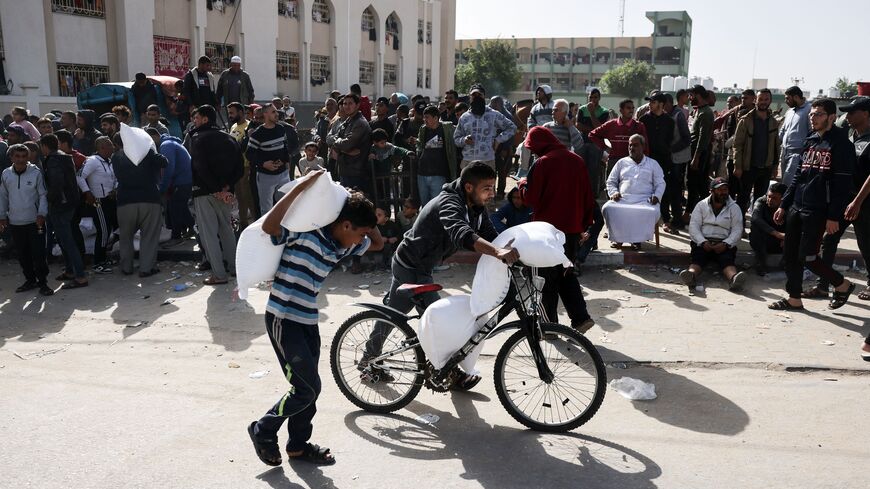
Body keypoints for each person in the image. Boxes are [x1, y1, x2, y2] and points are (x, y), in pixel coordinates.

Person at [248, 171, 383, 467]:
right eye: (358, 232)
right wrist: (301, 188)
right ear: (345, 224)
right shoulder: (305, 230)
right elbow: (271, 226)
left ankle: (298, 446)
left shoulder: (342, 245)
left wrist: (358, 205)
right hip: (283, 318)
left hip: (307, 320)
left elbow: (378, 243)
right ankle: (263, 428)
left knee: (310, 388)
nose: (359, 240)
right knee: (305, 389)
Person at [364, 162, 519, 389]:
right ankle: (445, 372)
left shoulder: (475, 207)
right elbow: (460, 232)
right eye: (486, 188)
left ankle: (372, 358)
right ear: (468, 187)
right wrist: (496, 251)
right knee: (436, 321)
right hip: (410, 266)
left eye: (492, 187)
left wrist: (517, 252)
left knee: (396, 315)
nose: (492, 193)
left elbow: (491, 235)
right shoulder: (449, 203)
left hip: (422, 266)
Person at [769, 99, 856, 311]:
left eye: (818, 114)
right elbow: (798, 175)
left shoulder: (842, 144)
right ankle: (794, 298)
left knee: (807, 256)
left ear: (831, 117)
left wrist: (834, 216)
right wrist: (784, 204)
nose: (812, 117)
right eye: (812, 114)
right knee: (790, 255)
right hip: (797, 206)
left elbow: (843, 185)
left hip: (819, 211)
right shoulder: (810, 140)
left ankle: (842, 284)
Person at [520, 126, 596, 332]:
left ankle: (549, 327)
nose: (533, 152)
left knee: (545, 279)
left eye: (532, 148)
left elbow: (531, 199)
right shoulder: (576, 160)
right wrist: (583, 226)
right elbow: (588, 196)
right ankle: (581, 318)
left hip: (546, 232)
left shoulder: (542, 163)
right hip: (571, 230)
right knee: (565, 273)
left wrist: (522, 184)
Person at [805, 96, 870, 301]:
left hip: (864, 202)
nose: (847, 116)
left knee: (866, 244)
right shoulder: (850, 136)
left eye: (852, 112)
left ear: (866, 113)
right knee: (829, 239)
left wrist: (857, 202)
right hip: (844, 200)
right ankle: (824, 284)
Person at [187, 105, 243, 285]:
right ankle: (235, 269)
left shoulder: (197, 138)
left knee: (208, 234)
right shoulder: (229, 138)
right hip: (225, 194)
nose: (194, 121)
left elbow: (200, 167)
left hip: (204, 193)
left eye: (196, 118)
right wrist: (226, 188)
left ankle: (219, 274)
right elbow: (240, 168)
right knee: (227, 231)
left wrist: (215, 189)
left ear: (205, 119)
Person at [0, 144, 53, 295]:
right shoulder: (6, 174)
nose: (21, 160)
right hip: (16, 221)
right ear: (11, 157)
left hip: (35, 221)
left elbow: (43, 194)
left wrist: (41, 214)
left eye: (24, 156)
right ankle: (30, 280)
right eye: (17, 156)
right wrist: (2, 216)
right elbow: (2, 196)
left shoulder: (35, 173)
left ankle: (43, 283)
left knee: (38, 254)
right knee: (23, 254)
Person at [112, 132, 167, 278]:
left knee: (125, 236)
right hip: (149, 199)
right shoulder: (146, 153)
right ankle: (146, 268)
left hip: (125, 202)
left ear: (117, 144)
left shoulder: (116, 157)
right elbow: (164, 162)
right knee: (149, 235)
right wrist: (150, 149)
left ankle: (126, 267)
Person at [681, 177, 746, 291]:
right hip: (704, 241)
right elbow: (694, 227)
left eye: (725, 189)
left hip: (723, 243)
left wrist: (726, 243)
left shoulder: (734, 208)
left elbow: (737, 230)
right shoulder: (701, 205)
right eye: (719, 190)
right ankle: (690, 276)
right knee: (698, 258)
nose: (723, 192)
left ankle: (734, 279)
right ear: (712, 191)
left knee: (727, 260)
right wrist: (703, 241)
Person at [601, 134, 665, 250]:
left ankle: (637, 240)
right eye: (630, 145)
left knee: (651, 211)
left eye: (635, 145)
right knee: (607, 208)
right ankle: (618, 238)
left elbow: (661, 183)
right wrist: (613, 192)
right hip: (623, 199)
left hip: (644, 200)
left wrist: (657, 196)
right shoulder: (621, 162)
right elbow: (611, 181)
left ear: (643, 146)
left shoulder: (653, 164)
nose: (632, 148)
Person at [41, 134, 87, 288]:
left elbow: (57, 182)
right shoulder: (64, 157)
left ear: (45, 146)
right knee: (63, 240)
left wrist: (50, 198)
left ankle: (80, 276)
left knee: (67, 241)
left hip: (61, 205)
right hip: (69, 203)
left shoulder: (53, 160)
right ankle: (70, 271)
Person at [732, 89, 780, 214]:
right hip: (748, 167)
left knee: (761, 201)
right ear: (755, 100)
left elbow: (776, 146)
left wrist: (775, 166)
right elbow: (737, 145)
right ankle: (739, 227)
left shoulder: (773, 122)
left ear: (770, 101)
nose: (763, 102)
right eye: (761, 99)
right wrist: (738, 166)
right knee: (743, 199)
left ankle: (756, 229)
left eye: (766, 99)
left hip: (766, 167)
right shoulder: (745, 120)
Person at [453, 84, 516, 170]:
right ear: (470, 97)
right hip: (468, 162)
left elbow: (512, 127)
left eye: (479, 95)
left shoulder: (494, 114)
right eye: (474, 95)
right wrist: (464, 140)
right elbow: (456, 139)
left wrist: (498, 140)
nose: (477, 97)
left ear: (484, 97)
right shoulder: (464, 117)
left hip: (487, 161)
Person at [149, 128, 193, 249]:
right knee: (181, 206)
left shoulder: (166, 146)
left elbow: (168, 168)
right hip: (184, 180)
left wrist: (163, 188)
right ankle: (193, 229)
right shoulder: (169, 143)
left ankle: (176, 237)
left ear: (153, 137)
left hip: (182, 181)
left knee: (174, 207)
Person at [79, 136, 118, 272]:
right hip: (97, 202)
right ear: (102, 148)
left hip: (110, 200)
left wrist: (115, 188)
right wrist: (87, 192)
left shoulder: (109, 161)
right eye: (110, 146)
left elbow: (115, 178)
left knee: (113, 229)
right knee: (103, 231)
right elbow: (79, 177)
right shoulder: (92, 161)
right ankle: (98, 262)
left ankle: (105, 257)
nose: (113, 147)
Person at [639, 91, 677, 228]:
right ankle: (644, 220)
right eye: (650, 102)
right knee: (645, 188)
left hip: (664, 160)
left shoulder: (669, 121)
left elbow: (670, 140)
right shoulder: (644, 120)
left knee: (663, 189)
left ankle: (665, 219)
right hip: (647, 159)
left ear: (661, 104)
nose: (650, 104)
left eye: (653, 102)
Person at [247, 104, 292, 216]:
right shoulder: (258, 134)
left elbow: (285, 147)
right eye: (273, 112)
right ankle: (267, 233)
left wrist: (285, 161)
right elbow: (249, 154)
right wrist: (263, 164)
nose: (277, 114)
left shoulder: (281, 129)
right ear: (265, 114)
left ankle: (284, 232)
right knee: (266, 209)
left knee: (286, 205)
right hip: (265, 176)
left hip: (283, 174)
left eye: (276, 111)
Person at [588, 98, 649, 179]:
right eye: (628, 108)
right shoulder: (611, 124)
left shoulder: (639, 126)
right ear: (621, 110)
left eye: (632, 108)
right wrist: (605, 147)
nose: (631, 110)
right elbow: (592, 135)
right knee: (612, 188)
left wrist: (644, 162)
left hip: (632, 162)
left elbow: (645, 145)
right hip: (614, 161)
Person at [326, 93, 373, 197]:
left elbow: (346, 144)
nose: (347, 106)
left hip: (356, 172)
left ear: (357, 105)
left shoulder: (360, 123)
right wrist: (342, 146)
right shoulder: (348, 120)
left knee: (356, 205)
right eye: (344, 103)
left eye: (350, 103)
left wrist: (340, 146)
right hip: (344, 169)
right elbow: (329, 139)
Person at [416, 105, 457, 206]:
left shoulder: (447, 128)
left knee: (436, 205)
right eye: (424, 117)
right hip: (422, 173)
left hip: (439, 174)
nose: (424, 119)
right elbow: (420, 146)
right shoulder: (423, 130)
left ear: (435, 118)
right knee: (425, 205)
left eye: (427, 117)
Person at [686, 85, 714, 222]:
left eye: (691, 95)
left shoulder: (706, 113)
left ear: (697, 95)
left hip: (700, 154)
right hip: (694, 153)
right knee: (695, 184)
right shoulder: (699, 111)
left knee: (697, 185)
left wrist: (696, 158)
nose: (689, 98)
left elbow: (703, 139)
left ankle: (692, 214)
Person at [227, 102, 257, 228]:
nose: (229, 115)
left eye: (232, 112)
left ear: (240, 112)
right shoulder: (233, 126)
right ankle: (243, 224)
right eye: (229, 113)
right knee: (240, 198)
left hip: (246, 167)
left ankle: (256, 223)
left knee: (248, 197)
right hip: (236, 168)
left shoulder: (249, 126)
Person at [750, 182, 787, 276]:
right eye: (769, 196)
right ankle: (760, 263)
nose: (770, 200)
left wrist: (789, 236)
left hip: (784, 242)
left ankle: (787, 262)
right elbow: (755, 218)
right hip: (764, 240)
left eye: (775, 198)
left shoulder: (790, 205)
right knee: (755, 228)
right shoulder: (761, 201)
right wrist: (776, 233)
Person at [369, 128, 411, 207]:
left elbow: (398, 150)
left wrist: (407, 152)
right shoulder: (372, 149)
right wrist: (371, 158)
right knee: (377, 198)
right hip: (374, 177)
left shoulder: (389, 147)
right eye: (382, 143)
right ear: (375, 142)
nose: (384, 144)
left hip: (387, 176)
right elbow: (368, 162)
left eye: (385, 142)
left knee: (387, 197)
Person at [778, 86, 811, 186]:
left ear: (796, 97)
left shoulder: (809, 110)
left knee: (789, 183)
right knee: (784, 182)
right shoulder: (789, 111)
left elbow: (811, 131)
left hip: (797, 153)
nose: (786, 101)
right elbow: (783, 130)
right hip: (784, 152)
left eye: (788, 98)